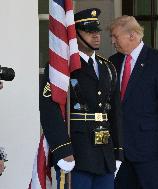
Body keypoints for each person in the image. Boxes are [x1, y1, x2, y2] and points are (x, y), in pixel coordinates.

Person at [40, 8, 123, 189]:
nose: (96, 36)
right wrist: (62, 149)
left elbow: (115, 113)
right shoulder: (63, 67)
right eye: (89, 31)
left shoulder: (107, 67)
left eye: (97, 31)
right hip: (77, 151)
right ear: (74, 34)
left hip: (104, 153)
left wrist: (118, 152)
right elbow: (49, 109)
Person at [108, 16, 158, 189]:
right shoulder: (113, 62)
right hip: (119, 147)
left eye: (115, 36)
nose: (112, 41)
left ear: (132, 35)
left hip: (149, 146)